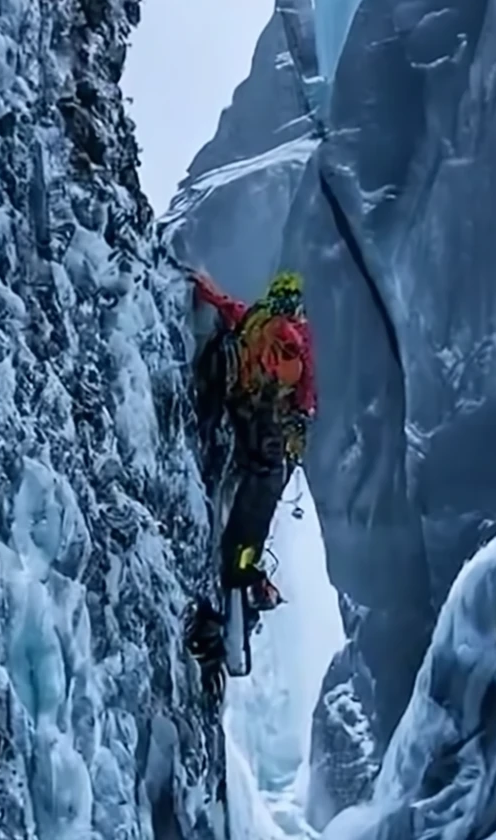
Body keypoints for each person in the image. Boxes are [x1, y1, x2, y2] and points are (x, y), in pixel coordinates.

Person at [184, 268, 316, 691]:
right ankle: (242, 566)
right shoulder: (293, 334)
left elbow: (233, 311)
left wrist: (207, 288)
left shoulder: (258, 319)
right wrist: (300, 419)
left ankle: (243, 565)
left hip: (237, 408)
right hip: (264, 421)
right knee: (263, 486)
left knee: (256, 482)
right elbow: (305, 387)